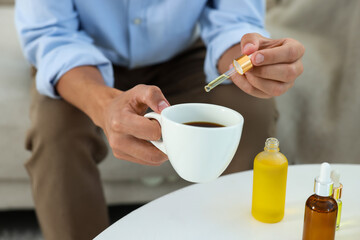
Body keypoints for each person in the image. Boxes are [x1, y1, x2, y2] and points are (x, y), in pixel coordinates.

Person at [15, 0, 304, 239]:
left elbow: (234, 17)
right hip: (79, 60)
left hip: (183, 54)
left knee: (250, 115)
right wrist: (104, 106)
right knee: (56, 137)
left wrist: (248, 60)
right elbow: (51, 34)